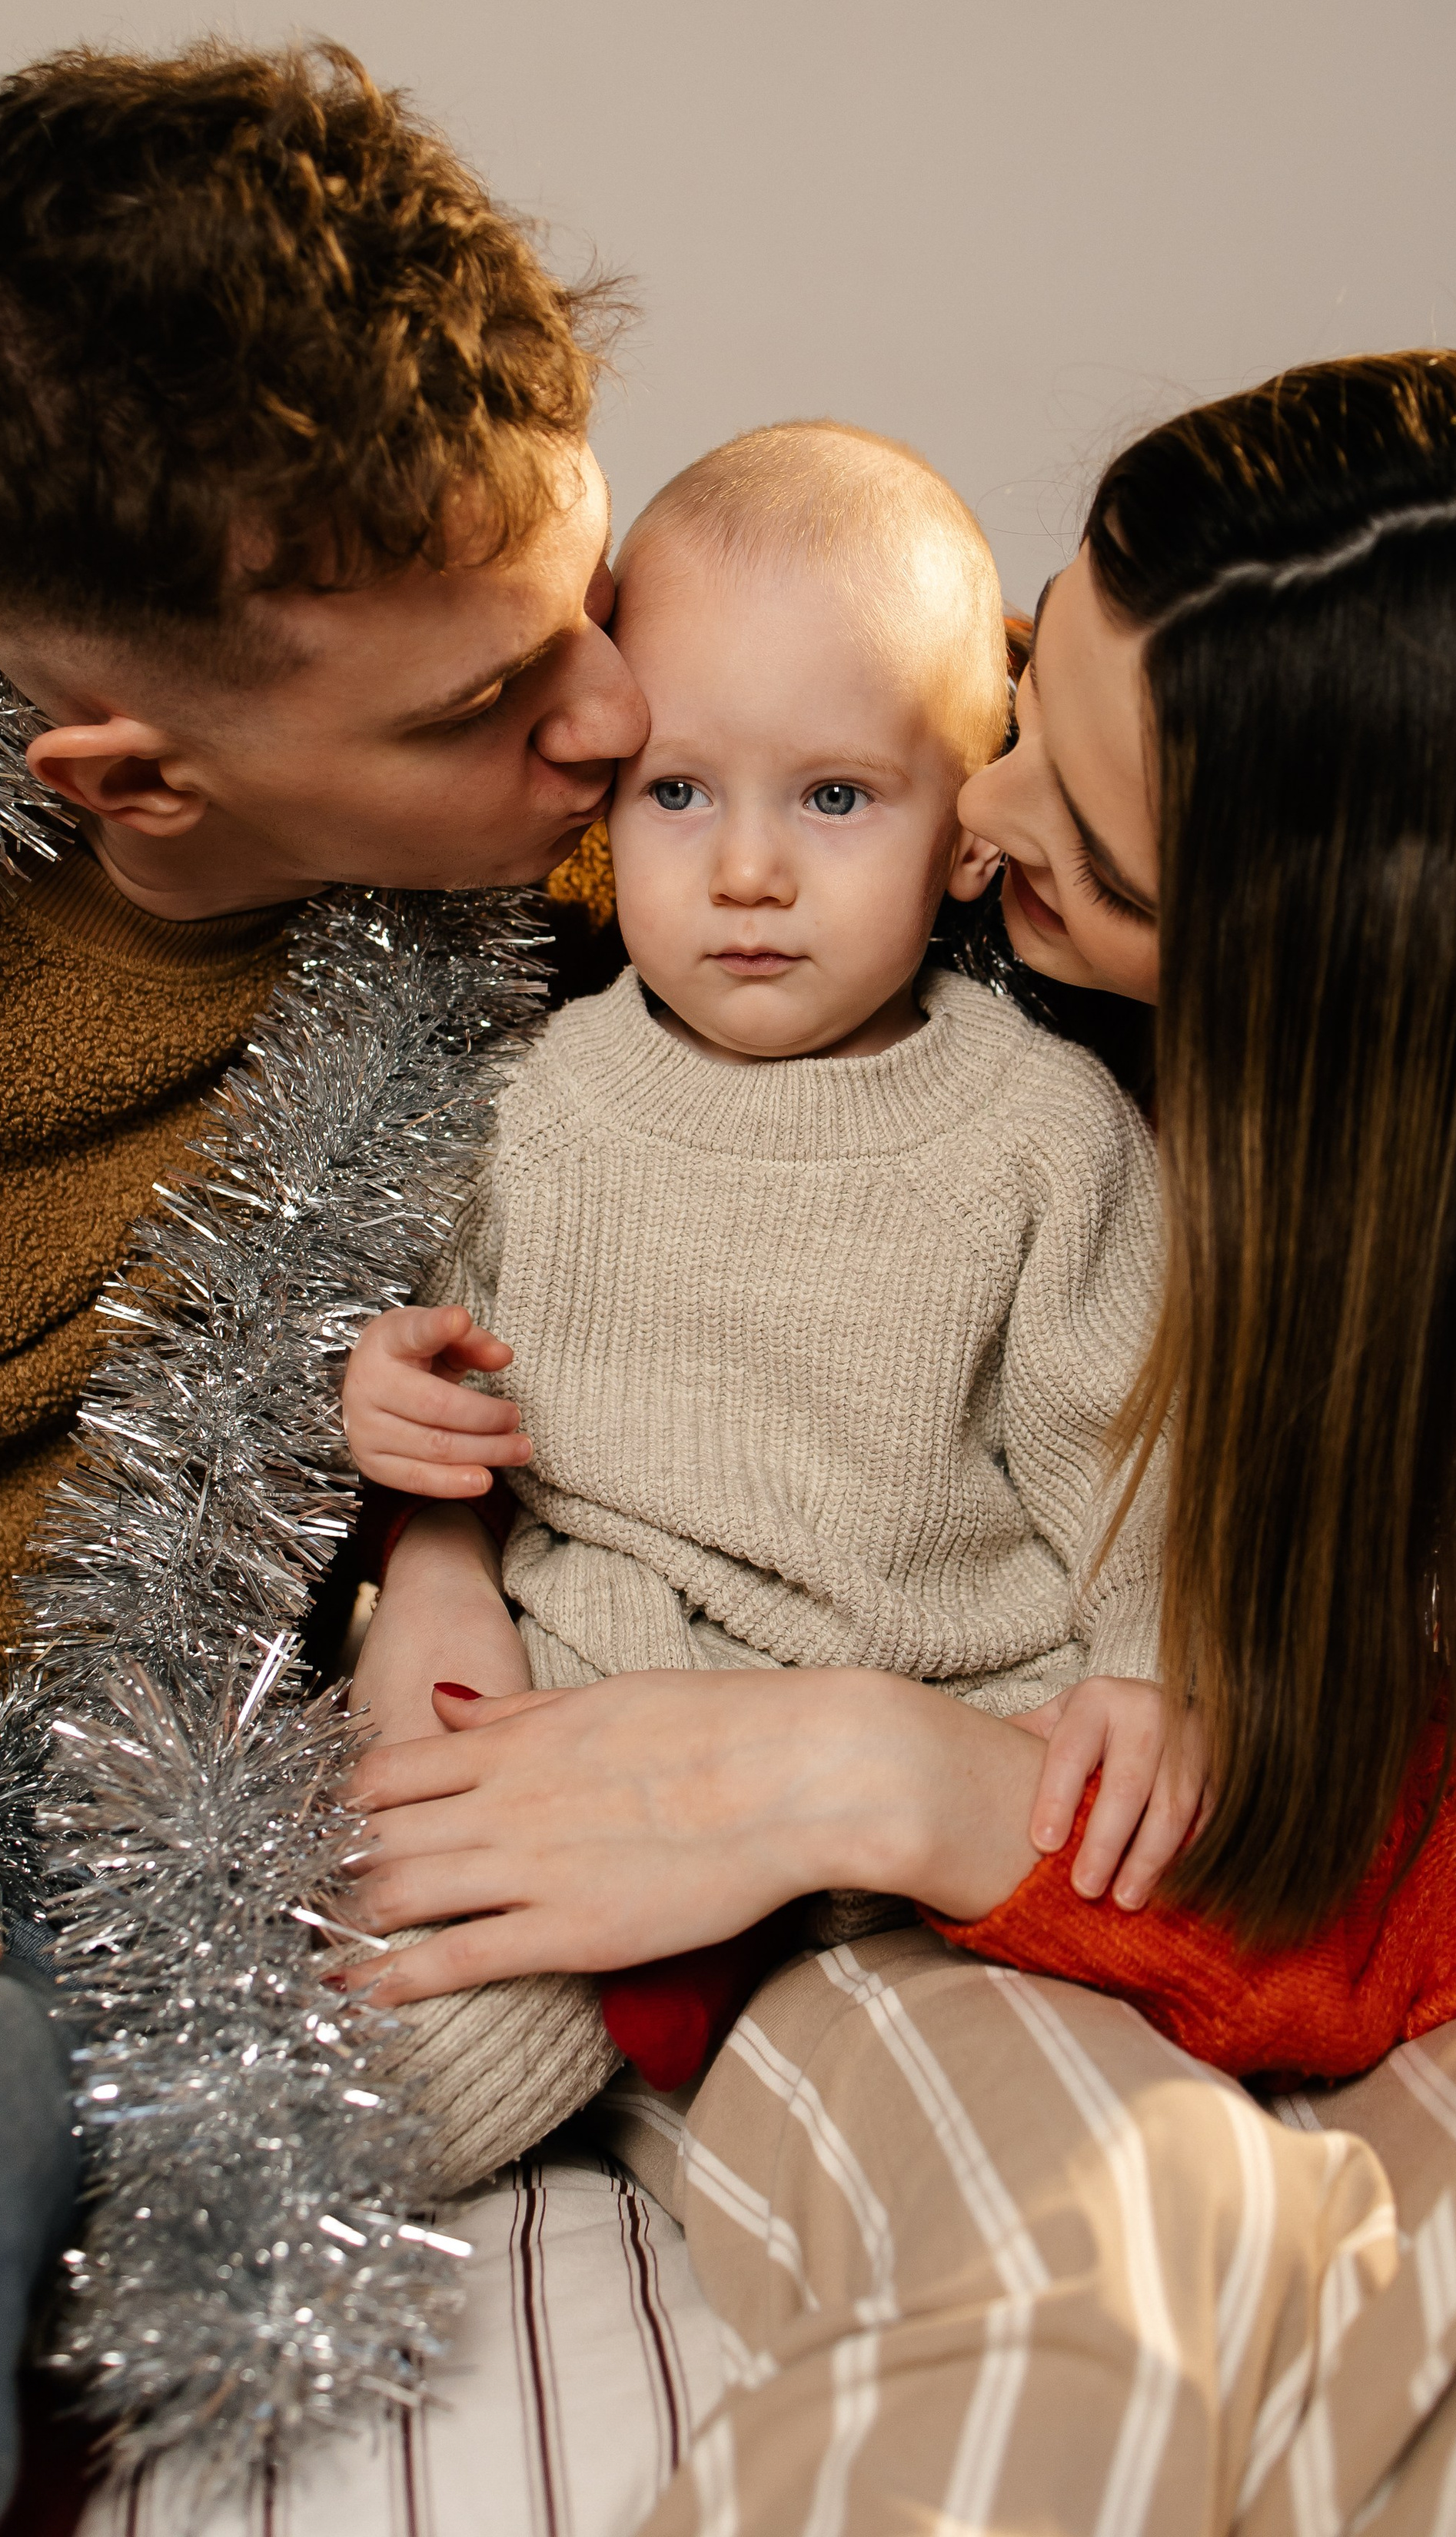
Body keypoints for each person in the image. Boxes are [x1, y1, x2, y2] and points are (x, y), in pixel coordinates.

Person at [346, 354, 1456, 2533]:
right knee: (1120, 2236)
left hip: (1111, 1882)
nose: (977, 811)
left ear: (1319, 1006)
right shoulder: (733, 930)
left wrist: (920, 1778)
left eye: (1082, 837)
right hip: (880, 2002)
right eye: (1025, 684)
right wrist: (431, 1541)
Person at [0, 39, 644, 2537]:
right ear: (130, 777)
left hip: (88, 1821)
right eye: (494, 703)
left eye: (584, 603)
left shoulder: (648, 830)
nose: (613, 718)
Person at [339, 424, 1197, 2169]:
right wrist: (388, 1413)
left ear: (970, 826)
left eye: (833, 798)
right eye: (678, 792)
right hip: (589, 1710)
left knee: (1027, 2124)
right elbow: (422, 1370)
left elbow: (1135, 1448)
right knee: (376, 2077)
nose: (746, 871)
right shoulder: (535, 1098)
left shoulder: (1039, 1131)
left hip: (916, 1737)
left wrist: (1155, 1664)